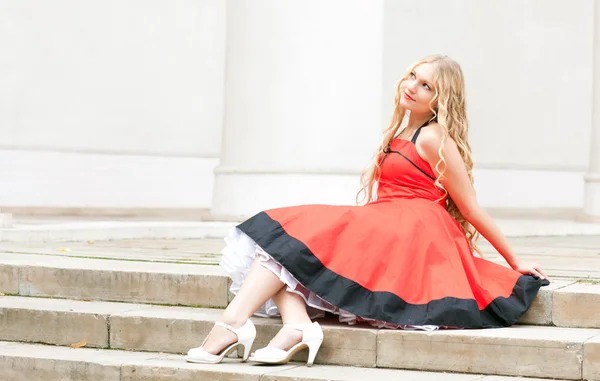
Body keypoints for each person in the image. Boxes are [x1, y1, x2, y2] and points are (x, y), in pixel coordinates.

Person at [186, 54, 550, 366]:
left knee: (293, 231)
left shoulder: (434, 136)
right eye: (412, 76)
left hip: (414, 229)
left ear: (441, 99)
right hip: (387, 218)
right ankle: (295, 325)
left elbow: (470, 207)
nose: (412, 86)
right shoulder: (402, 132)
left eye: (425, 85)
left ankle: (234, 323)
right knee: (288, 245)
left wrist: (513, 260)